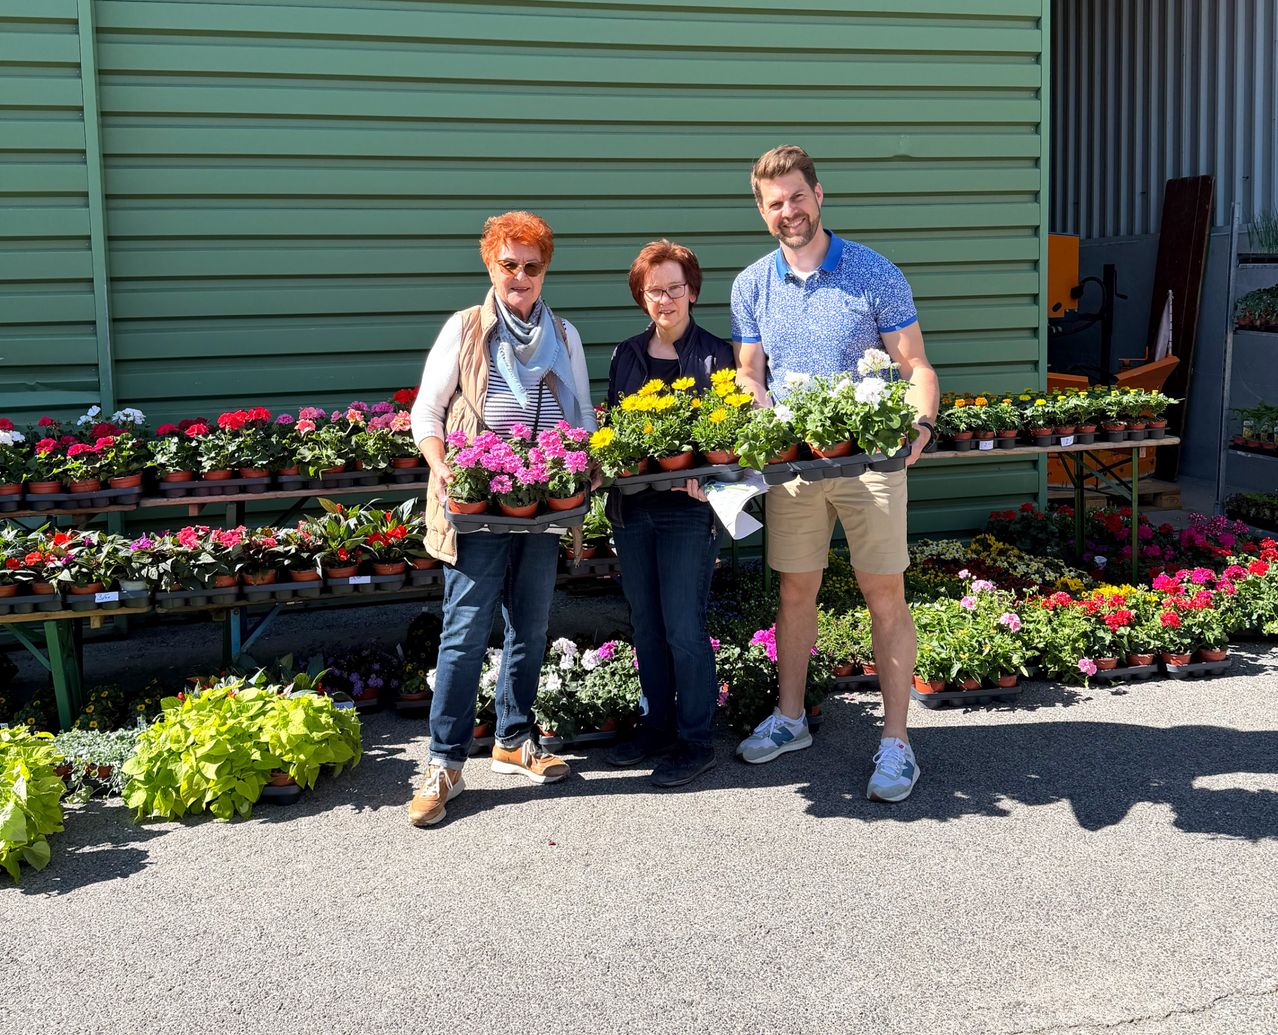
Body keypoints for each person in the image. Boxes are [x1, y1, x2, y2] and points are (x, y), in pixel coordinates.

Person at [729, 146, 939, 802]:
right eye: (774, 203)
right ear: (763, 212)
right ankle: (791, 719)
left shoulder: (873, 273)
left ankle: (897, 744)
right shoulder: (752, 285)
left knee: (884, 593)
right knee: (795, 591)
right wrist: (756, 414)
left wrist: (920, 426)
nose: (787, 211)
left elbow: (917, 368)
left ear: (819, 195)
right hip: (794, 465)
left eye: (796, 197)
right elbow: (749, 371)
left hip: (869, 457)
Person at [406, 210, 597, 827]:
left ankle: (514, 739)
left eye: (531, 266)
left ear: (545, 271)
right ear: (491, 265)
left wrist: (579, 467)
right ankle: (444, 763)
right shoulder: (465, 330)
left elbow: (583, 416)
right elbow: (426, 414)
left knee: (530, 627)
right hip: (478, 507)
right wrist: (442, 468)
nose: (520, 276)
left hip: (540, 507)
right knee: (464, 633)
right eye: (508, 264)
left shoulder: (564, 336)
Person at [602, 240, 734, 787]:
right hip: (634, 509)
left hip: (687, 511)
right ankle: (656, 727)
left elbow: (734, 434)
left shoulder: (716, 354)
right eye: (653, 290)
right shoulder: (624, 355)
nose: (664, 299)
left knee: (683, 626)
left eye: (674, 288)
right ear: (642, 298)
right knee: (647, 626)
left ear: (693, 291)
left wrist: (712, 478)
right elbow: (613, 430)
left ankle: (695, 739)